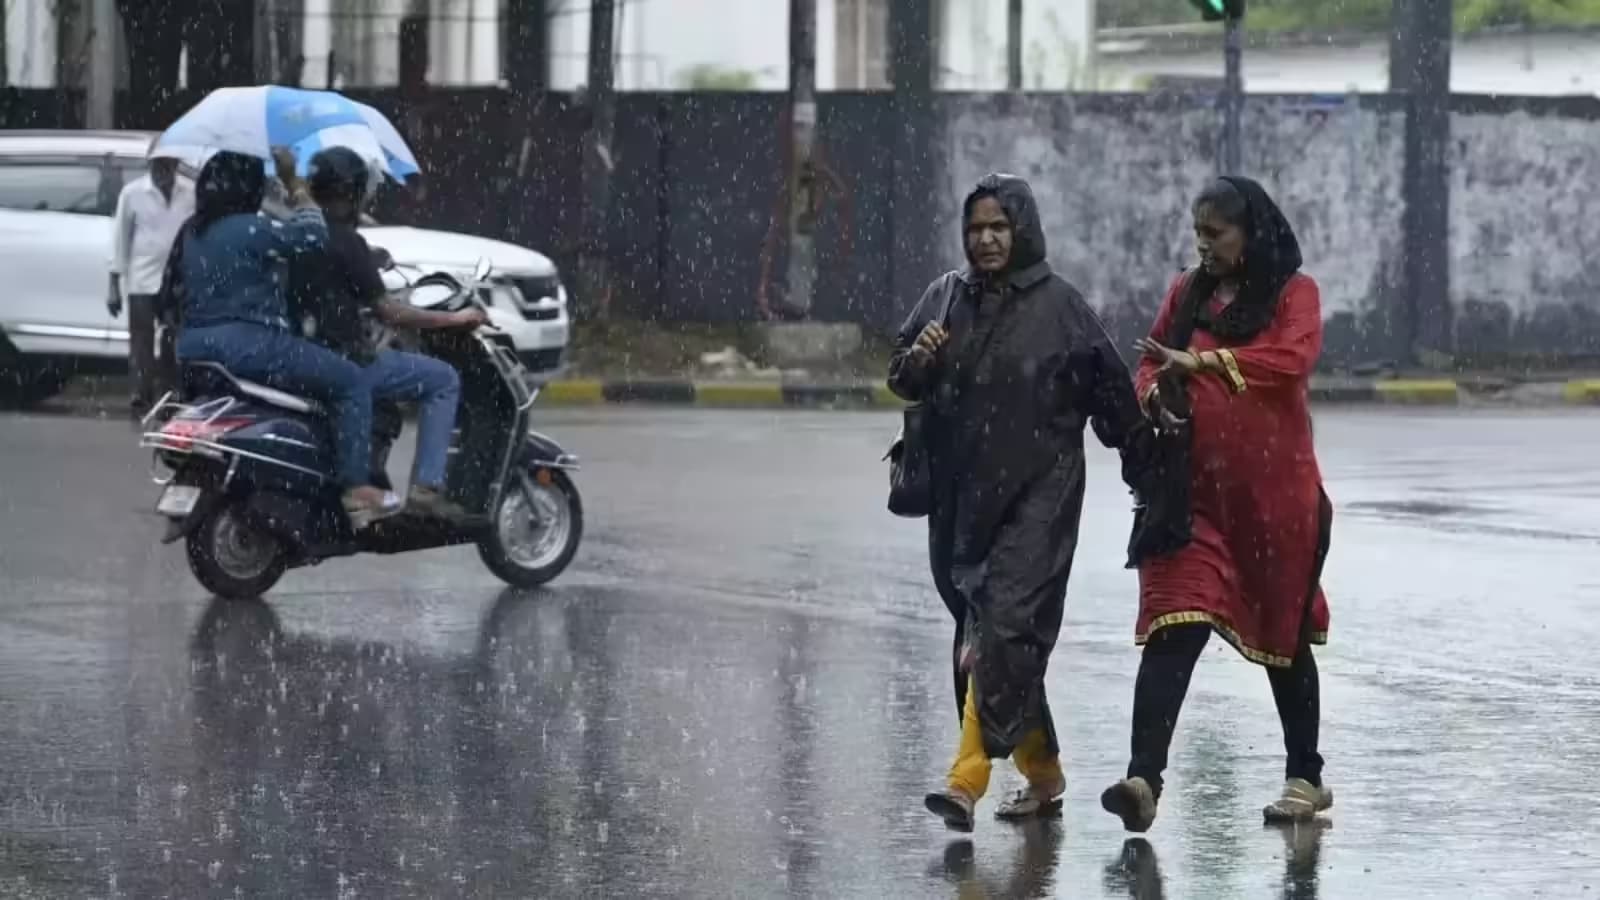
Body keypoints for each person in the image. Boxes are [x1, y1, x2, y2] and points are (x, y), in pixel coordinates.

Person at [888, 174, 1147, 832]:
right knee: (994, 639)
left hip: (1042, 496)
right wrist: (919, 359)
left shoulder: (1061, 306)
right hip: (962, 499)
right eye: (976, 228)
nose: (986, 240)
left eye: (999, 227)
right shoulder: (946, 298)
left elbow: (1113, 396)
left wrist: (1151, 468)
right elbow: (901, 377)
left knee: (1000, 632)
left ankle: (965, 779)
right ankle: (1043, 770)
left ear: (1023, 229)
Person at [1100, 176, 1334, 833]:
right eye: (1197, 233)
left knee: (1283, 636)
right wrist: (1156, 393)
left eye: (1215, 234)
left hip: (1274, 503)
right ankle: (1143, 778)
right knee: (1174, 625)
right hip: (1192, 502)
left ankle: (1305, 777)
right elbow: (1148, 363)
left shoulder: (1294, 294)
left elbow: (1289, 359)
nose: (1202, 246)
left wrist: (1203, 366)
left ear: (1250, 234)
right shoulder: (1186, 292)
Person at [174, 148, 398, 527]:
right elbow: (313, 235)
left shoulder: (195, 232)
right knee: (351, 381)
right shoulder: (248, 227)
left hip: (196, 344)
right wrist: (295, 181)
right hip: (250, 345)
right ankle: (356, 488)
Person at [289, 147, 486, 520]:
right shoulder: (347, 242)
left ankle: (377, 469)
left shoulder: (299, 232)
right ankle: (426, 489)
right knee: (442, 379)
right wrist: (455, 319)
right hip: (346, 359)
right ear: (353, 192)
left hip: (306, 353)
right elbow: (389, 311)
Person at [108, 145, 195, 411]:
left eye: (167, 165)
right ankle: (141, 393)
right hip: (143, 279)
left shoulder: (190, 193)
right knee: (142, 341)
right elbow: (120, 239)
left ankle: (170, 393)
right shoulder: (133, 193)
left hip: (178, 279)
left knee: (174, 339)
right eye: (157, 165)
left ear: (176, 165)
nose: (162, 171)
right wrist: (113, 284)